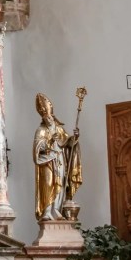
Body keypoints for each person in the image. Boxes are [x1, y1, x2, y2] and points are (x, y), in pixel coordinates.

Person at [32, 93, 81, 221]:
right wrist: (49, 141)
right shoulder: (41, 130)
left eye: (49, 117)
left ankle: (56, 210)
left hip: (59, 161)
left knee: (60, 184)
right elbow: (37, 147)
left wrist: (74, 137)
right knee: (48, 184)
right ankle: (47, 212)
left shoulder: (59, 129)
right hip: (47, 162)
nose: (48, 119)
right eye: (45, 117)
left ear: (52, 116)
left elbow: (67, 142)